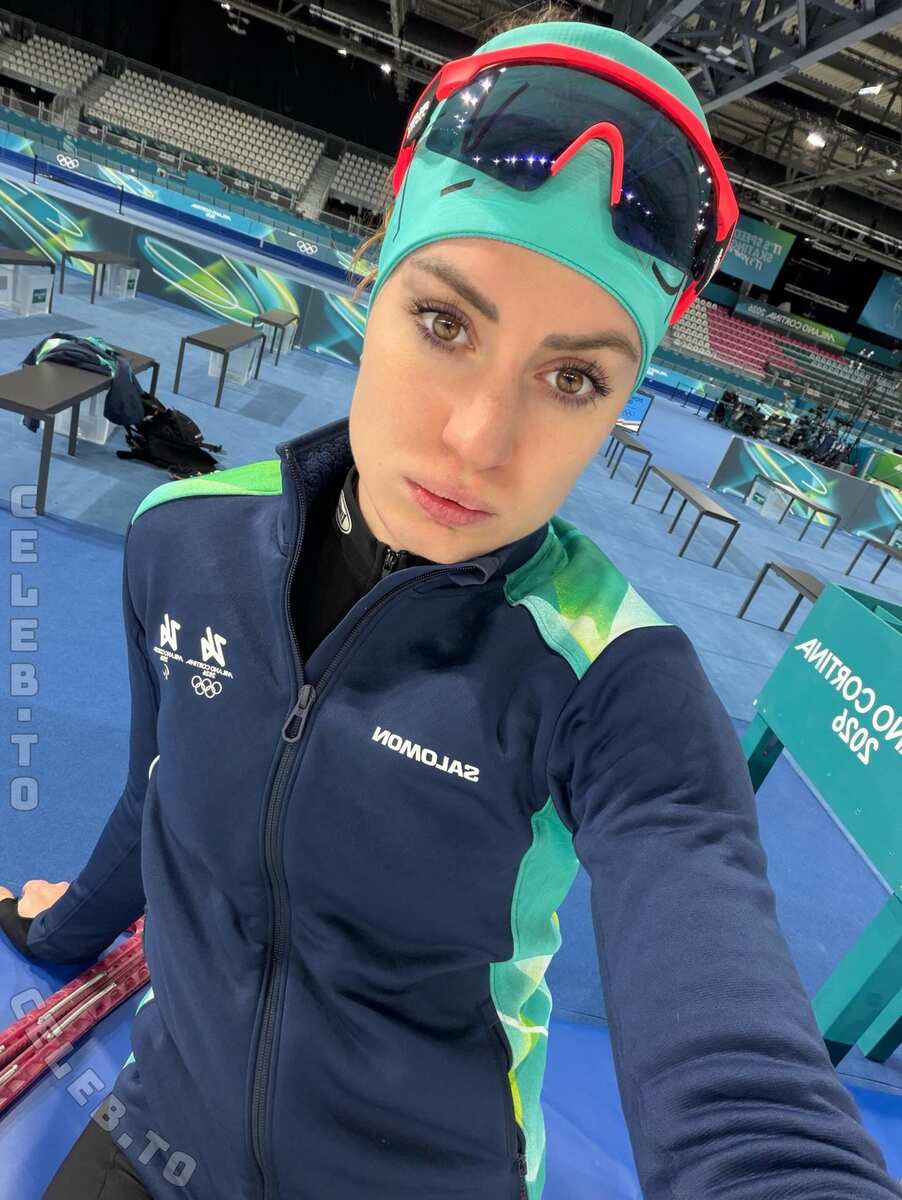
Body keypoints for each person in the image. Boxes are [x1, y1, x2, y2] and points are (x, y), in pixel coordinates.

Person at [2, 9, 900, 1200]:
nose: (479, 439)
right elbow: (153, 795)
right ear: (371, 274)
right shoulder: (182, 537)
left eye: (571, 378)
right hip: (161, 1132)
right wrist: (64, 930)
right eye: (443, 322)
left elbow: (738, 1070)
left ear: (621, 402)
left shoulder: (615, 681)